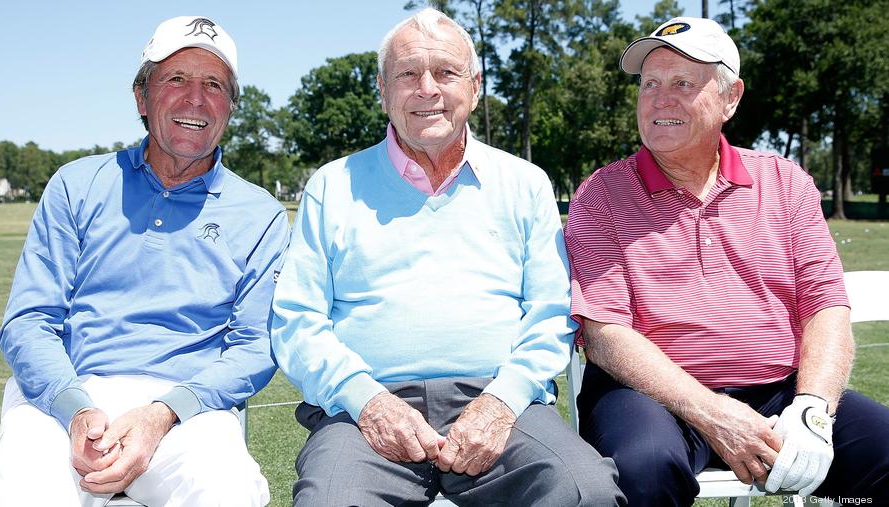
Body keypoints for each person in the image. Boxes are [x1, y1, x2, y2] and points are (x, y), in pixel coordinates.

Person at [270, 8, 624, 506]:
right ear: (382, 89)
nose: (427, 88)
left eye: (446, 72)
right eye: (408, 73)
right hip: (364, 409)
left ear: (475, 86)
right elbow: (297, 319)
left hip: (505, 406)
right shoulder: (331, 186)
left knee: (583, 490)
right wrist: (368, 402)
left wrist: (500, 403)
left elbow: (550, 314)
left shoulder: (524, 183)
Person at [565, 16, 889, 507]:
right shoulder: (601, 195)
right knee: (641, 468)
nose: (659, 98)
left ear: (730, 97)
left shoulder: (786, 183)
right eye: (649, 83)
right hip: (649, 396)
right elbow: (605, 334)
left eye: (682, 83)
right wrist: (713, 413)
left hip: (779, 392)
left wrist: (814, 410)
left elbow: (826, 306)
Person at [0, 16, 288, 507]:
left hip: (185, 409)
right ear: (141, 96)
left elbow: (255, 345)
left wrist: (162, 413)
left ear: (231, 107)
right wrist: (76, 410)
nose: (196, 99)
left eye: (214, 84)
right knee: (25, 494)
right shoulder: (76, 184)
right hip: (65, 397)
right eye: (176, 79)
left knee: (227, 492)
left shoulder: (261, 214)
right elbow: (29, 321)